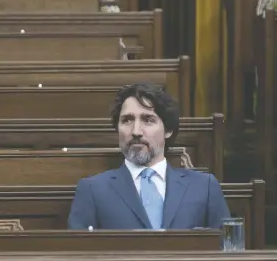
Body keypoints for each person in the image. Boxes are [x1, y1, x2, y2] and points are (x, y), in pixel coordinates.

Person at [68, 82, 230, 230]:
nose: (136, 131)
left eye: (148, 120)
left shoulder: (205, 187)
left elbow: (228, 252)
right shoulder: (92, 190)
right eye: (127, 120)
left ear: (168, 130)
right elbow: (77, 256)